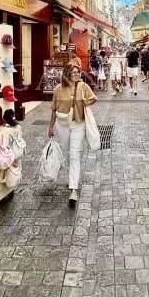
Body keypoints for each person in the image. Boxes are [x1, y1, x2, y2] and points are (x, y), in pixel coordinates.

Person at [48, 63, 98, 207]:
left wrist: (83, 102)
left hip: (78, 124)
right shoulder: (58, 89)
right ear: (67, 74)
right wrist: (50, 127)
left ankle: (73, 189)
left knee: (75, 154)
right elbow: (53, 109)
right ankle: (72, 179)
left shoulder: (82, 86)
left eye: (78, 72)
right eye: (74, 72)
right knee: (67, 152)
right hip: (62, 124)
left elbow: (93, 98)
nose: (77, 74)